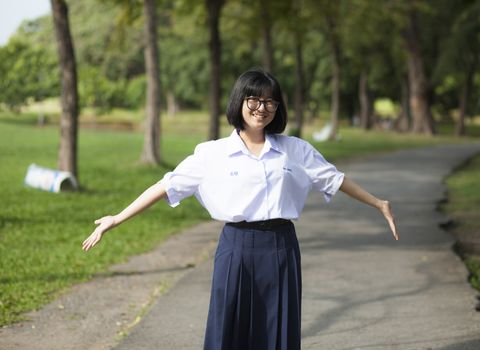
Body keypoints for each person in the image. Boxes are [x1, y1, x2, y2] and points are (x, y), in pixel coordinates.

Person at [82, 69, 399, 350]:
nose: (262, 109)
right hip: (235, 246)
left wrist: (378, 203)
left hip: (281, 245)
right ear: (240, 102)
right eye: (254, 100)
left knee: (278, 325)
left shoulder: (295, 150)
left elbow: (335, 179)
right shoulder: (213, 153)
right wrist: (116, 218)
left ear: (277, 107)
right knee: (228, 325)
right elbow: (166, 185)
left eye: (270, 102)